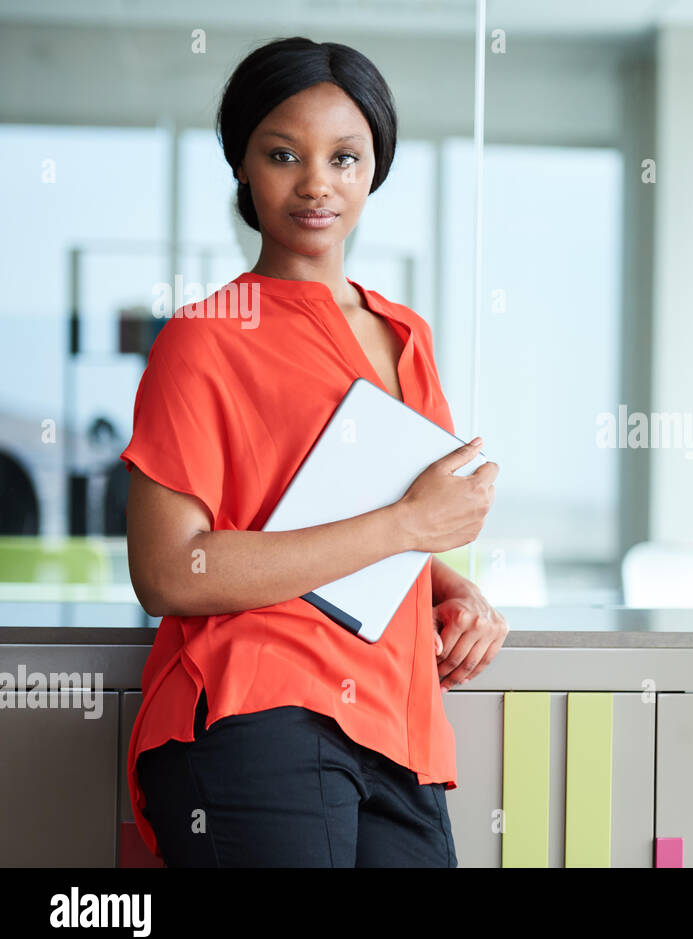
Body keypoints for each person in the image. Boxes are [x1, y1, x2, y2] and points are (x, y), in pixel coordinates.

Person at [123, 36, 507, 867]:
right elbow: (166, 573)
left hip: (398, 728)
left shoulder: (410, 338)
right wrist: (410, 525)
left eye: (345, 157)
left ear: (375, 172)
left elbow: (377, 532)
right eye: (284, 154)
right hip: (259, 713)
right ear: (242, 168)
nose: (316, 183)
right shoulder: (202, 341)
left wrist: (454, 587)